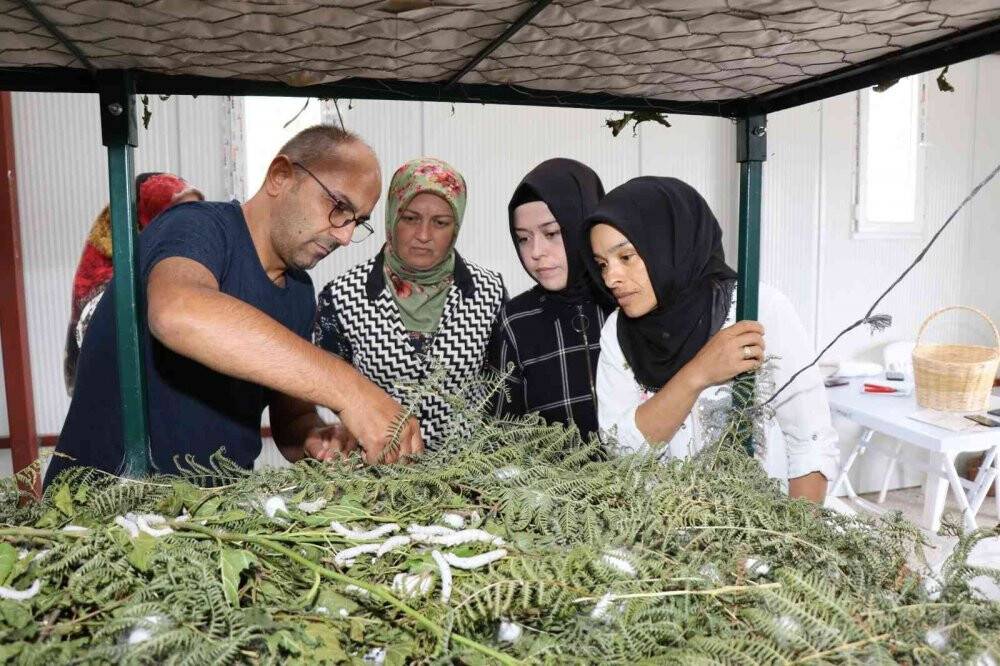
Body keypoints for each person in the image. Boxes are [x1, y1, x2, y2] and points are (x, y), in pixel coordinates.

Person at [46, 125, 423, 487]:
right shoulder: (197, 227)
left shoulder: (297, 292)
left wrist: (317, 436)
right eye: (338, 206)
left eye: (358, 222)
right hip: (107, 509)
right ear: (280, 176)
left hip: (214, 516)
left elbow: (292, 420)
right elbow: (177, 313)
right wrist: (351, 390)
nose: (345, 235)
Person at [584, 177, 839, 502]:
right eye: (602, 264)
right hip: (659, 530)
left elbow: (810, 441)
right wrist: (698, 373)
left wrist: (796, 531)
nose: (611, 278)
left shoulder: (754, 308)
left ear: (669, 244)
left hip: (761, 524)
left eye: (626, 257)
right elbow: (622, 451)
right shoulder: (618, 332)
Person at [314, 157, 506, 449]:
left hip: (470, 469)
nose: (423, 235)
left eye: (440, 223)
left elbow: (504, 389)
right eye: (410, 218)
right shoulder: (342, 297)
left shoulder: (489, 293)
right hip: (378, 469)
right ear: (392, 216)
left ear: (456, 226)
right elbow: (327, 387)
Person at [485, 158, 613, 439]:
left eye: (552, 233)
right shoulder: (515, 321)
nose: (535, 252)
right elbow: (499, 436)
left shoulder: (625, 303)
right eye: (523, 238)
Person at [64, 172, 203, 395]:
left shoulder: (166, 258)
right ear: (149, 219)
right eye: (178, 216)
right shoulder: (103, 285)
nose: (191, 226)